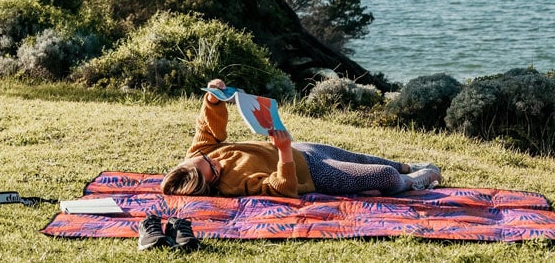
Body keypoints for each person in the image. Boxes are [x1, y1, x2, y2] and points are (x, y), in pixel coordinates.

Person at [162, 79, 442, 198]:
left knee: (365, 158)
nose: (216, 163)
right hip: (315, 173)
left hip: (303, 149)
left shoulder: (200, 154)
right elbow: (281, 188)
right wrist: (283, 153)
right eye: (213, 172)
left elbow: (208, 129)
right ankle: (417, 180)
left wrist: (213, 99)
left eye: (206, 160)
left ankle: (407, 166)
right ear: (211, 185)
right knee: (382, 175)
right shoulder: (233, 184)